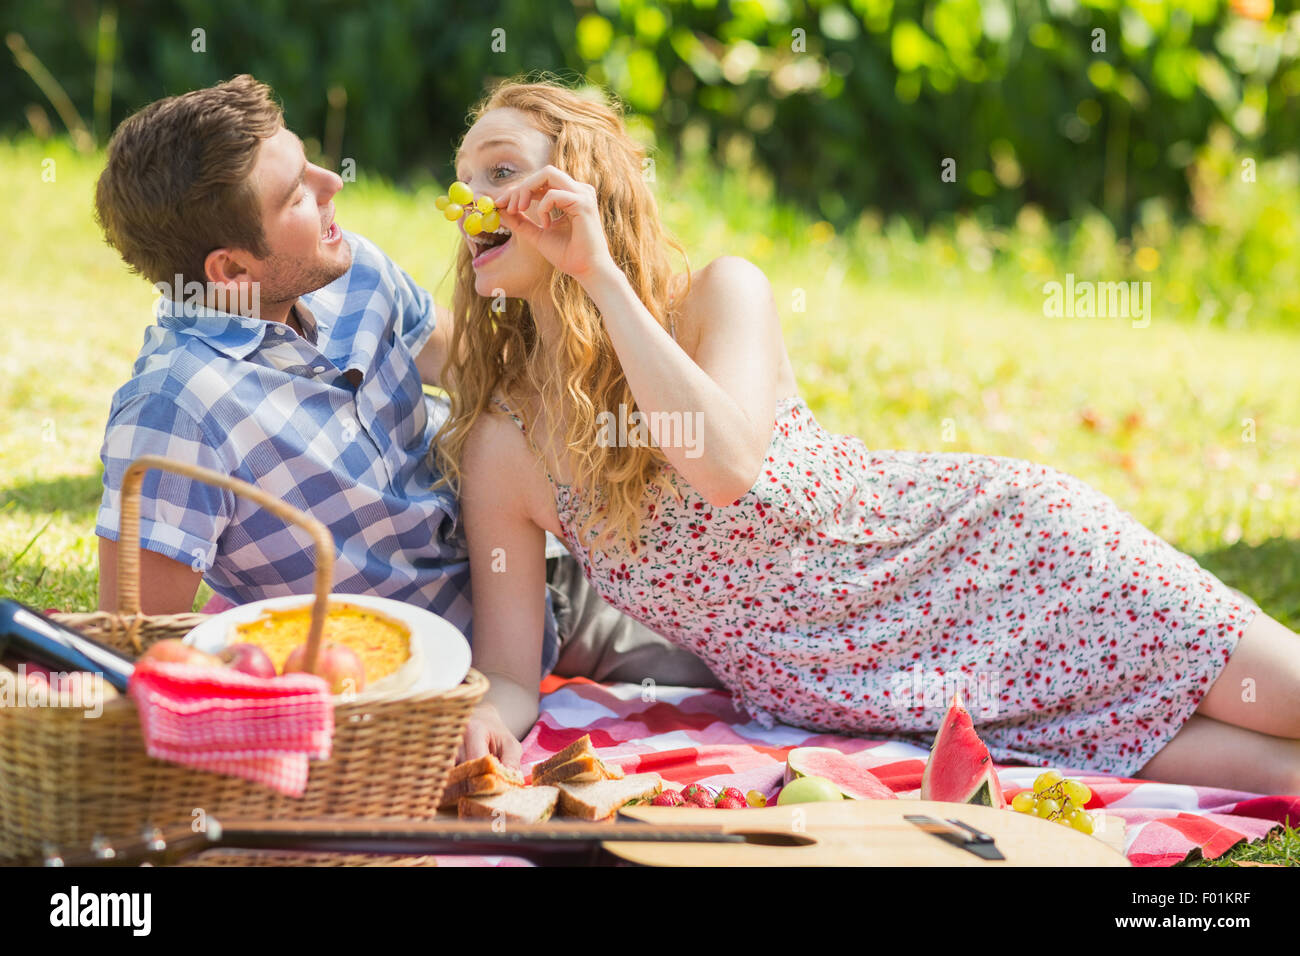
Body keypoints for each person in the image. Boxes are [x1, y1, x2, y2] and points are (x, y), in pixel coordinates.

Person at [442, 77, 1300, 793]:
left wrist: (596, 278)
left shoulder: (715, 298)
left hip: (991, 555)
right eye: (462, 176)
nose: (468, 198)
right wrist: (487, 717)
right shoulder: (504, 446)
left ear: (579, 191)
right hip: (858, 691)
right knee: (1275, 772)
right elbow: (514, 672)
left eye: (501, 170)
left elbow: (725, 467)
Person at [90, 74, 722, 699]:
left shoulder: (348, 273)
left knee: (759, 662)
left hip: (565, 571)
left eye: (309, 162)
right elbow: (140, 649)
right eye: (296, 196)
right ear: (229, 270)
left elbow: (491, 369)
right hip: (455, 674)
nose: (332, 183)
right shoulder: (177, 410)